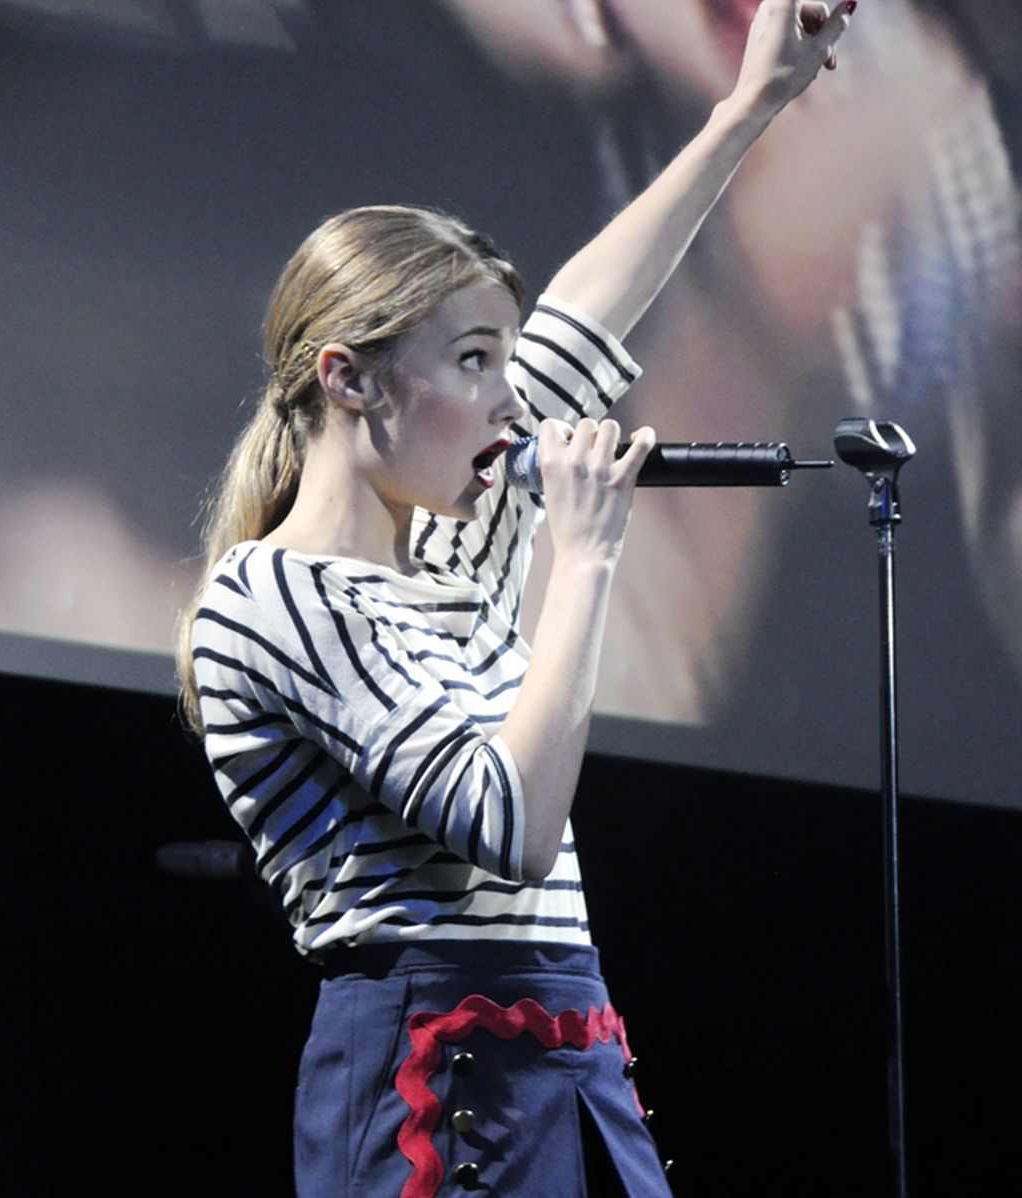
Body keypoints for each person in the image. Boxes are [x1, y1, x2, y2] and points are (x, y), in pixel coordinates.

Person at [176, 3, 855, 1194]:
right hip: (430, 1068)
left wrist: (747, 111)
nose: (510, 401)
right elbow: (505, 820)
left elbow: (585, 321)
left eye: (505, 361)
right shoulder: (273, 597)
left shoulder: (451, 553)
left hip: (564, 1051)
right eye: (473, 362)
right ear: (352, 380)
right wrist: (587, 561)